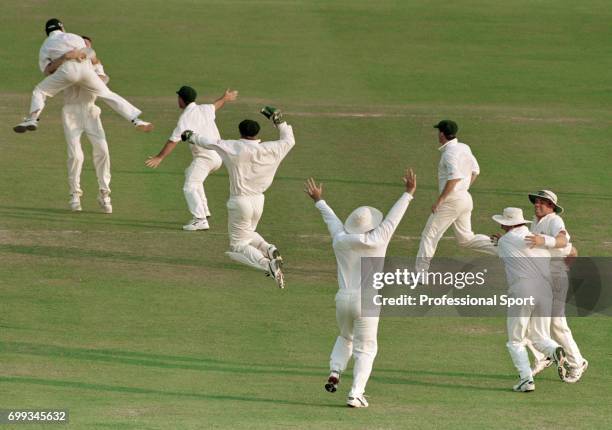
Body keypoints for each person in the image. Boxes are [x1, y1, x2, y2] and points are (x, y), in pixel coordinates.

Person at [304, 169, 416, 408]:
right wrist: (408, 193)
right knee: (366, 348)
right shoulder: (379, 238)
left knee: (346, 336)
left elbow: (331, 220)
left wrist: (318, 199)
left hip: (343, 298)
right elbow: (394, 218)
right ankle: (356, 393)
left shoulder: (340, 240)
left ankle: (335, 371)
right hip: (367, 300)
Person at [180, 107, 293, 287]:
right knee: (247, 232)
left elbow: (210, 142)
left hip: (240, 201)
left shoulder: (234, 147)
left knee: (238, 245)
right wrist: (278, 122)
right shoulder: (272, 148)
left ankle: (268, 265)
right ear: (257, 134)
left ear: (240, 132)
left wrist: (190, 135)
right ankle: (269, 249)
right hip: (259, 201)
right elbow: (289, 140)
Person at [14, 18, 152, 133]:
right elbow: (89, 54)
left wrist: (64, 59)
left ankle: (33, 118)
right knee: (108, 94)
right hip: (86, 71)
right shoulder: (75, 37)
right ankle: (136, 120)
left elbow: (46, 71)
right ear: (62, 28)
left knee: (40, 91)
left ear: (47, 32)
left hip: (66, 72)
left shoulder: (46, 44)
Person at [492, 207, 567, 392]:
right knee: (540, 336)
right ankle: (554, 350)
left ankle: (526, 380)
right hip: (545, 290)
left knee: (515, 340)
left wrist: (499, 241)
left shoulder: (505, 241)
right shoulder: (536, 238)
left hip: (523, 289)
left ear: (504, 224)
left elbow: (503, 248)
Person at [145, 86, 238, 230]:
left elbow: (173, 140)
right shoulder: (205, 108)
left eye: (178, 98)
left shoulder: (185, 118)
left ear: (181, 99)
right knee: (190, 174)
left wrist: (159, 157)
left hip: (205, 158)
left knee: (189, 187)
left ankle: (200, 219)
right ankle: (204, 211)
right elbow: (216, 104)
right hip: (218, 157)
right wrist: (225, 98)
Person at [415, 120, 495, 274]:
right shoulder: (464, 147)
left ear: (442, 134)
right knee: (466, 239)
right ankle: (505, 249)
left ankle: (420, 274)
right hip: (465, 198)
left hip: (452, 200)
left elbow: (454, 178)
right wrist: (463, 189)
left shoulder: (449, 154)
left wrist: (440, 200)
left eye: (438, 132)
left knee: (429, 234)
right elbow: (475, 171)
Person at [524, 190, 588, 383]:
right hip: (540, 278)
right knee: (525, 321)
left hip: (555, 279)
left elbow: (562, 241)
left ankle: (577, 363)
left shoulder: (554, 220)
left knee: (557, 323)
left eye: (543, 202)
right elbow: (571, 250)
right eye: (537, 201)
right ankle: (542, 356)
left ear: (551, 206)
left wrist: (559, 270)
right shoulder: (535, 223)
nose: (537, 204)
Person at [57, 35, 112, 213]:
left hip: (91, 111)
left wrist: (94, 69)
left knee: (103, 150)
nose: (85, 49)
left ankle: (104, 193)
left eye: (88, 46)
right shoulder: (68, 65)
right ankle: (74, 194)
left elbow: (103, 81)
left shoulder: (94, 65)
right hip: (71, 112)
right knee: (76, 155)